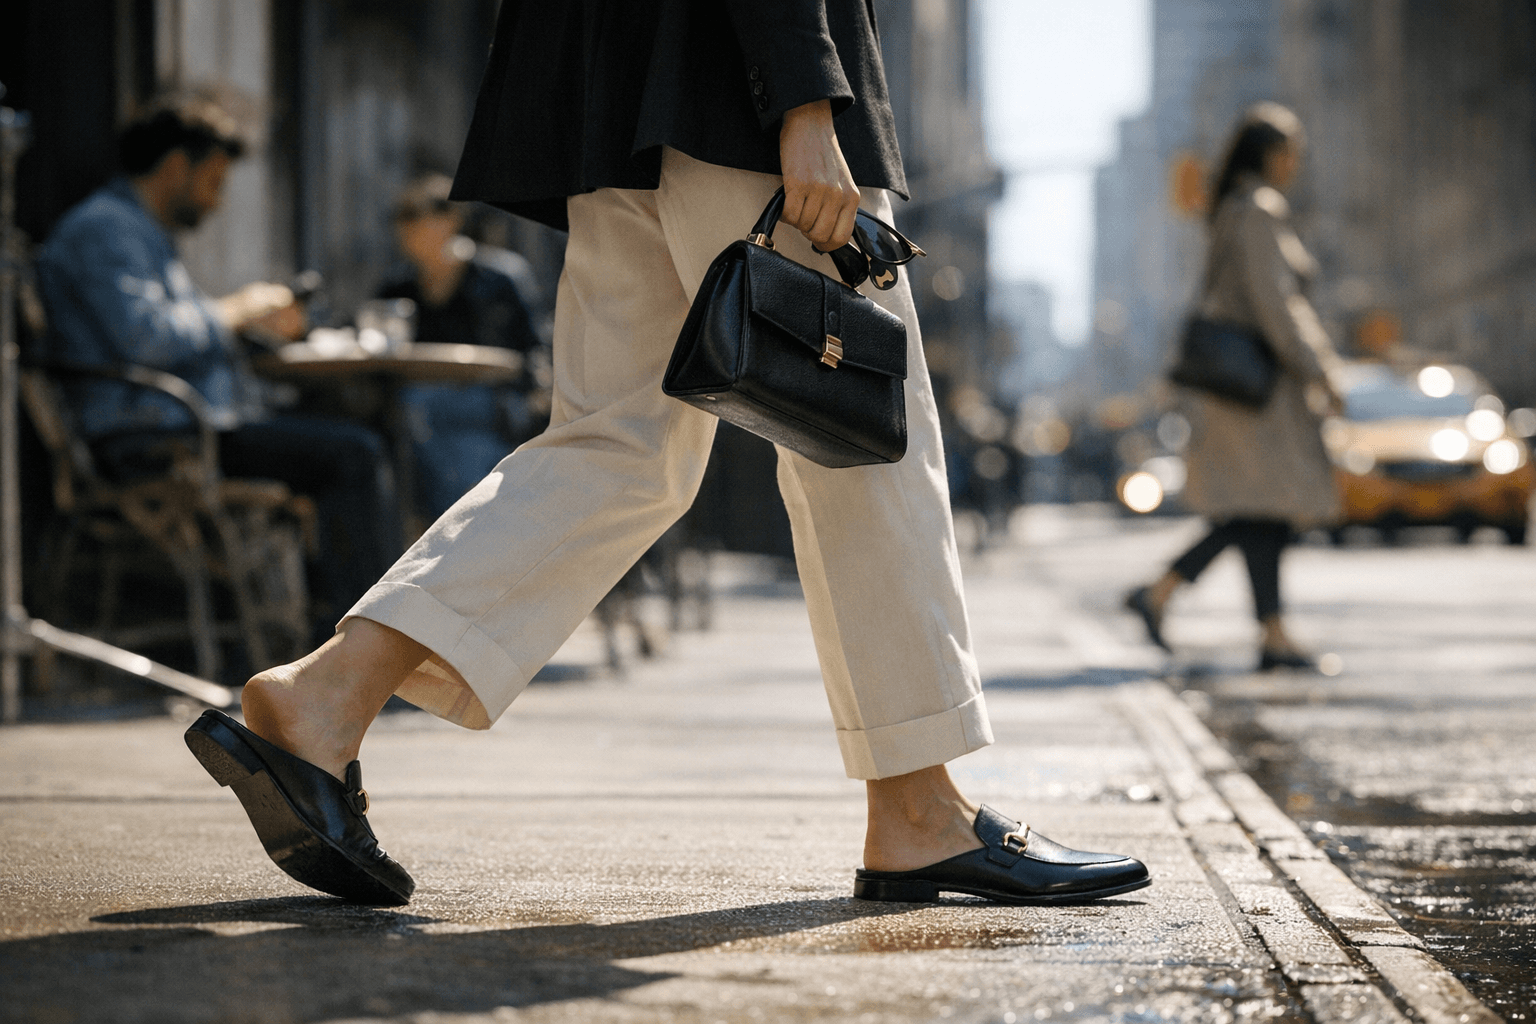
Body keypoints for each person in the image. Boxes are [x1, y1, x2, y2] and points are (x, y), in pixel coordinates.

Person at [184, 2, 1151, 908]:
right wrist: (806, 99)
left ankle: (325, 696)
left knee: (616, 445)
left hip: (613, 88)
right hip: (740, 82)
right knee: (866, 435)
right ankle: (918, 809)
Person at [34, 94, 403, 645]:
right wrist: (237, 309)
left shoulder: (141, 232)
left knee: (345, 430)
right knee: (354, 453)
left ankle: (335, 639)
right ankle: (364, 650)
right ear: (177, 165)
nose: (217, 200)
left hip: (176, 424)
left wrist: (255, 328)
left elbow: (173, 330)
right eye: (214, 181)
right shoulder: (105, 228)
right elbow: (147, 338)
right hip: (151, 436)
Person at [1125, 102, 1343, 672]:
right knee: (1260, 509)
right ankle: (1237, 620)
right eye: (1292, 150)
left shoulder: (1232, 209)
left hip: (1240, 390)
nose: (1297, 162)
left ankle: (1224, 615)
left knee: (1258, 510)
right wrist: (1320, 370)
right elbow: (1278, 304)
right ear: (1271, 154)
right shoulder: (1260, 209)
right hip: (1259, 391)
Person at [377, 173, 550, 521]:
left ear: (451, 220)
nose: (410, 232)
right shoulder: (397, 287)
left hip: (493, 400)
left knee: (435, 420)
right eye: (404, 222)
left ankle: (455, 526)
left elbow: (531, 351)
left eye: (419, 220)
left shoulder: (499, 277)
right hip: (420, 404)